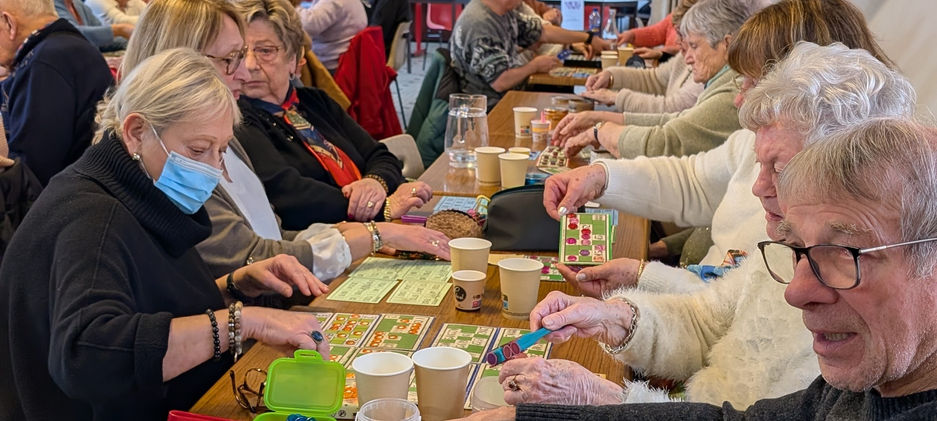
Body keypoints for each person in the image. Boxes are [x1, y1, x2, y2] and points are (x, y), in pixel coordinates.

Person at [492, 42, 914, 410]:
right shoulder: (790, 244)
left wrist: (607, 401)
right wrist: (610, 317)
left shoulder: (870, 313)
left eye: (780, 169)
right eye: (761, 165)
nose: (758, 186)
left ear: (852, 174)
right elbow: (706, 320)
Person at [0, 47, 332, 421]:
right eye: (198, 149)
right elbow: (90, 354)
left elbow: (146, 303)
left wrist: (234, 287)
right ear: (136, 132)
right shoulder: (91, 215)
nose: (213, 169)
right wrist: (243, 321)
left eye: (221, 151)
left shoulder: (136, 189)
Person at [121, 0, 450, 279]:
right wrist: (373, 230)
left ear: (295, 59)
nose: (245, 70)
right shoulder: (178, 155)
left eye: (261, 52)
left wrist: (364, 226)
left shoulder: (299, 106)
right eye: (231, 59)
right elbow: (253, 253)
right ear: (176, 66)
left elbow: (273, 233)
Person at [233, 0, 433, 229]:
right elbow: (289, 195)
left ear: (294, 59)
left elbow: (380, 155)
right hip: (329, 239)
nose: (249, 65)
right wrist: (382, 208)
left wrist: (374, 182)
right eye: (240, 54)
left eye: (265, 51)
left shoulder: (314, 101)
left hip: (376, 225)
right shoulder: (238, 118)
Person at [552, 0, 748, 159]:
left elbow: (667, 141)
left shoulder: (733, 90)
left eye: (694, 46)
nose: (687, 57)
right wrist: (600, 119)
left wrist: (601, 130)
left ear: (727, 44)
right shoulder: (722, 78)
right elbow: (675, 119)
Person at [0, 0, 113, 186]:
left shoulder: (44, 64)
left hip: (71, 193)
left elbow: (31, 173)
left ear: (9, 24)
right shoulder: (66, 47)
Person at [449, 0, 611, 108]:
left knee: (573, 108)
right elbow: (500, 81)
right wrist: (534, 66)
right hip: (488, 107)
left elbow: (543, 32)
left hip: (511, 96)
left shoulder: (502, 12)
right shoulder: (479, 24)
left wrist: (588, 38)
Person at [580, 0, 704, 114]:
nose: (677, 41)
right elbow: (655, 79)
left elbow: (672, 109)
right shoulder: (685, 56)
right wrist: (611, 76)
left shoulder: (705, 71)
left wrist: (616, 98)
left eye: (683, 35)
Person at [295, 0, 367, 72]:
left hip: (332, 64)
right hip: (343, 58)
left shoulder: (333, 2)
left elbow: (307, 26)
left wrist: (292, 6)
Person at [53, 0, 133, 51]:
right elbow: (72, 33)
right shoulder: (51, 6)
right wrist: (120, 30)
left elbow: (101, 38)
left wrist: (130, 42)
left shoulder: (78, 4)